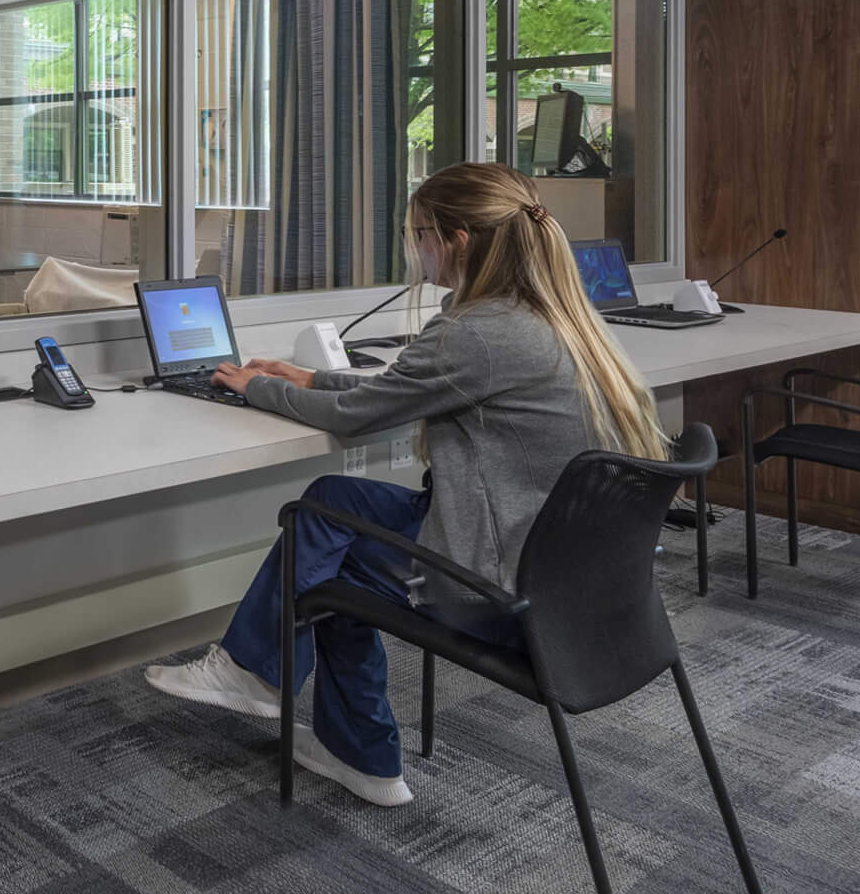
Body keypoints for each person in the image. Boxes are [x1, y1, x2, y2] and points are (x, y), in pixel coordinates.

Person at [145, 160, 668, 807]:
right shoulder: (554, 318)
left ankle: (276, 687)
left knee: (328, 554)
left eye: (418, 232)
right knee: (335, 509)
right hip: (592, 593)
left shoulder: (474, 334)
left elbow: (354, 418)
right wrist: (307, 379)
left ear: (456, 241)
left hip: (511, 599)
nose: (414, 248)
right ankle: (312, 718)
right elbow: (397, 392)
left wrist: (262, 388)